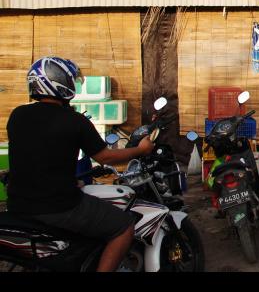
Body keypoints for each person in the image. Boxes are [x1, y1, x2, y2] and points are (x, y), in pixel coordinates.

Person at [6, 56, 154, 272]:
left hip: (18, 204)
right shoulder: (74, 120)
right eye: (70, 80)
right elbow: (105, 157)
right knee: (123, 226)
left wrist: (68, 180)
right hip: (57, 206)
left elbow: (38, 157)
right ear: (59, 83)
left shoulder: (18, 115)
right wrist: (140, 150)